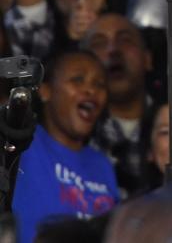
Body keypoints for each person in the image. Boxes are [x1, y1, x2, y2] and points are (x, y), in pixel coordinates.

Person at [12, 51, 119, 243]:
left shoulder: (102, 165)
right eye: (78, 79)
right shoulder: (21, 143)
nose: (90, 90)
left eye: (99, 84)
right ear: (45, 91)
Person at [80, 14, 153, 198]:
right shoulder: (75, 133)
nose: (113, 50)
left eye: (125, 40)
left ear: (147, 59)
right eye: (99, 43)